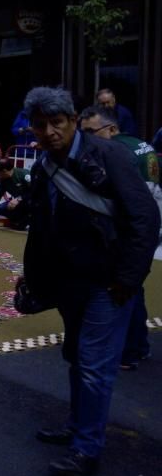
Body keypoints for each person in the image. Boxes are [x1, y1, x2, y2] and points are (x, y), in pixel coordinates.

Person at [22, 86, 159, 476]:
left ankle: (86, 447)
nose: (48, 131)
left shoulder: (111, 156)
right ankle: (77, 426)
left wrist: (128, 279)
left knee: (94, 365)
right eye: (40, 125)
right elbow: (43, 227)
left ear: (73, 122)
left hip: (108, 281)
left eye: (57, 123)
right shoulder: (43, 166)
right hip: (70, 281)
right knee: (76, 358)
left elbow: (145, 220)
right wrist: (35, 278)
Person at [78, 105, 161, 371]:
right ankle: (139, 346)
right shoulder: (141, 145)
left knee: (127, 288)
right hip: (148, 223)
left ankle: (131, 349)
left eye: (91, 132)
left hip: (133, 229)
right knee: (135, 286)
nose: (87, 139)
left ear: (111, 128)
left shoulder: (116, 152)